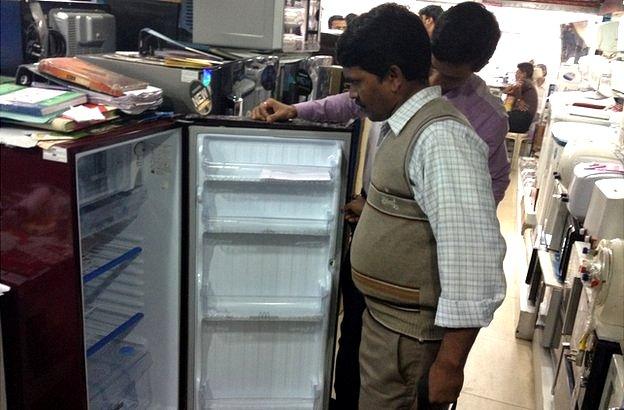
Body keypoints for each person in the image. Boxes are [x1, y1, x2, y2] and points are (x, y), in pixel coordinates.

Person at [336, 4, 506, 408]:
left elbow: (474, 259)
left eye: (358, 83)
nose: (353, 95)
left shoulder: (440, 138)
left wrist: (450, 364)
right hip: (389, 329)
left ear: (393, 77)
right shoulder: (404, 121)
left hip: (409, 342)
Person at [504, 62, 538, 133]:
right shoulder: (530, 84)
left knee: (495, 117)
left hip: (521, 119)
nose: (516, 75)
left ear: (524, 74)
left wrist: (519, 100)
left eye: (518, 72)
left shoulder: (525, 82)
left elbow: (509, 90)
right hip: (524, 123)